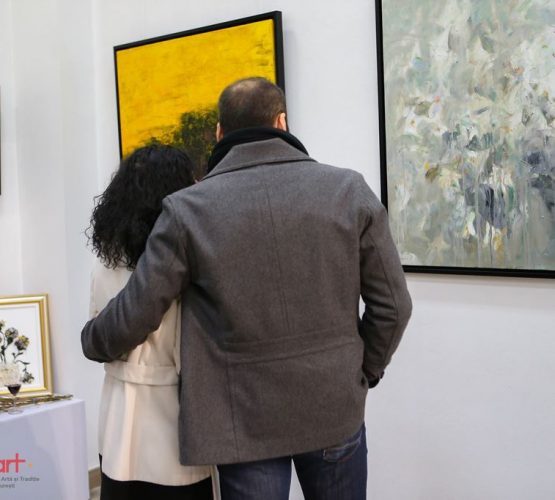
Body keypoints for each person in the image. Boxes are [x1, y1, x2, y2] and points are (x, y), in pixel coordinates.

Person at [82, 77, 412, 500]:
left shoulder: (187, 210)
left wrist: (91, 339)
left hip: (241, 421)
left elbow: (136, 313)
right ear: (282, 122)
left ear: (219, 132)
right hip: (333, 403)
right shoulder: (349, 191)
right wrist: (364, 371)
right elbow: (394, 307)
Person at [87, 144, 215, 500]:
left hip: (117, 413)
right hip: (172, 416)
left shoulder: (105, 262)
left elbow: (97, 326)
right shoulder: (182, 266)